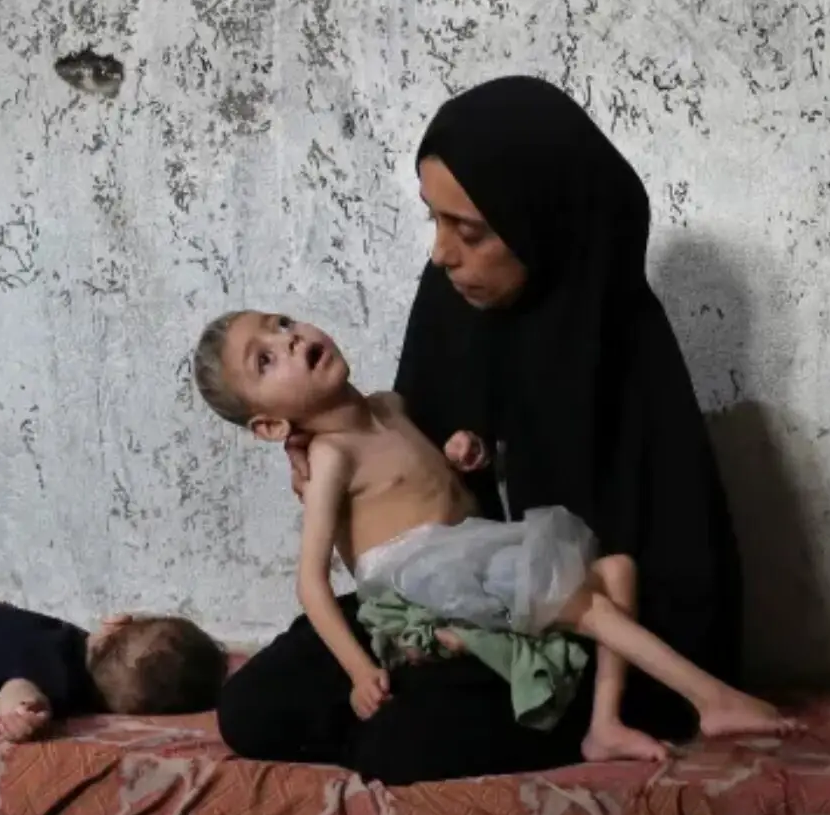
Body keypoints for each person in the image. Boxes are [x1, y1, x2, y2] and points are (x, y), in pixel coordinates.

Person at [211, 75, 749, 784]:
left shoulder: (615, 336)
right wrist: (318, 449)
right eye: (433, 220)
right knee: (254, 707)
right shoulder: (451, 299)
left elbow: (658, 571)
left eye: (470, 231)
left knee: (410, 743)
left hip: (577, 625)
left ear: (543, 223)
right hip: (441, 600)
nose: (441, 253)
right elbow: (415, 476)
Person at [192, 310, 791, 761]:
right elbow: (311, 582)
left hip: (464, 555)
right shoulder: (329, 455)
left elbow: (425, 484)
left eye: (282, 324)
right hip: (415, 578)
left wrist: (463, 455)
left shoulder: (391, 407)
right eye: (265, 360)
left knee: (618, 570)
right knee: (577, 601)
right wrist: (356, 669)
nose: (289, 339)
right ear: (270, 425)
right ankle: (707, 697)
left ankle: (604, 725)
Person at [0, 594, 225, 742]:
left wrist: (22, 709)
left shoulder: (61, 678)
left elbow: (18, 687)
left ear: (115, 625)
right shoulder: (70, 666)